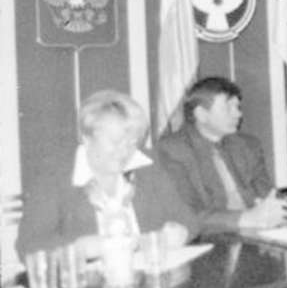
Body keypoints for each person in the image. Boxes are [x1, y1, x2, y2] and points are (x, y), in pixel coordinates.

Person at [16, 90, 198, 258]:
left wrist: (181, 232)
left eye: (132, 142)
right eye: (115, 142)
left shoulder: (147, 166)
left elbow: (188, 220)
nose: (124, 151)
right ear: (86, 138)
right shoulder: (55, 177)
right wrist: (81, 248)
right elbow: (28, 246)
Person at [157, 77, 287, 233]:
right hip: (210, 237)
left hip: (258, 232)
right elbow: (188, 214)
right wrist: (246, 218)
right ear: (201, 114)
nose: (238, 114)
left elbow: (266, 195)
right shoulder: (172, 151)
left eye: (238, 107)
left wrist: (274, 211)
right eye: (228, 108)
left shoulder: (248, 145)